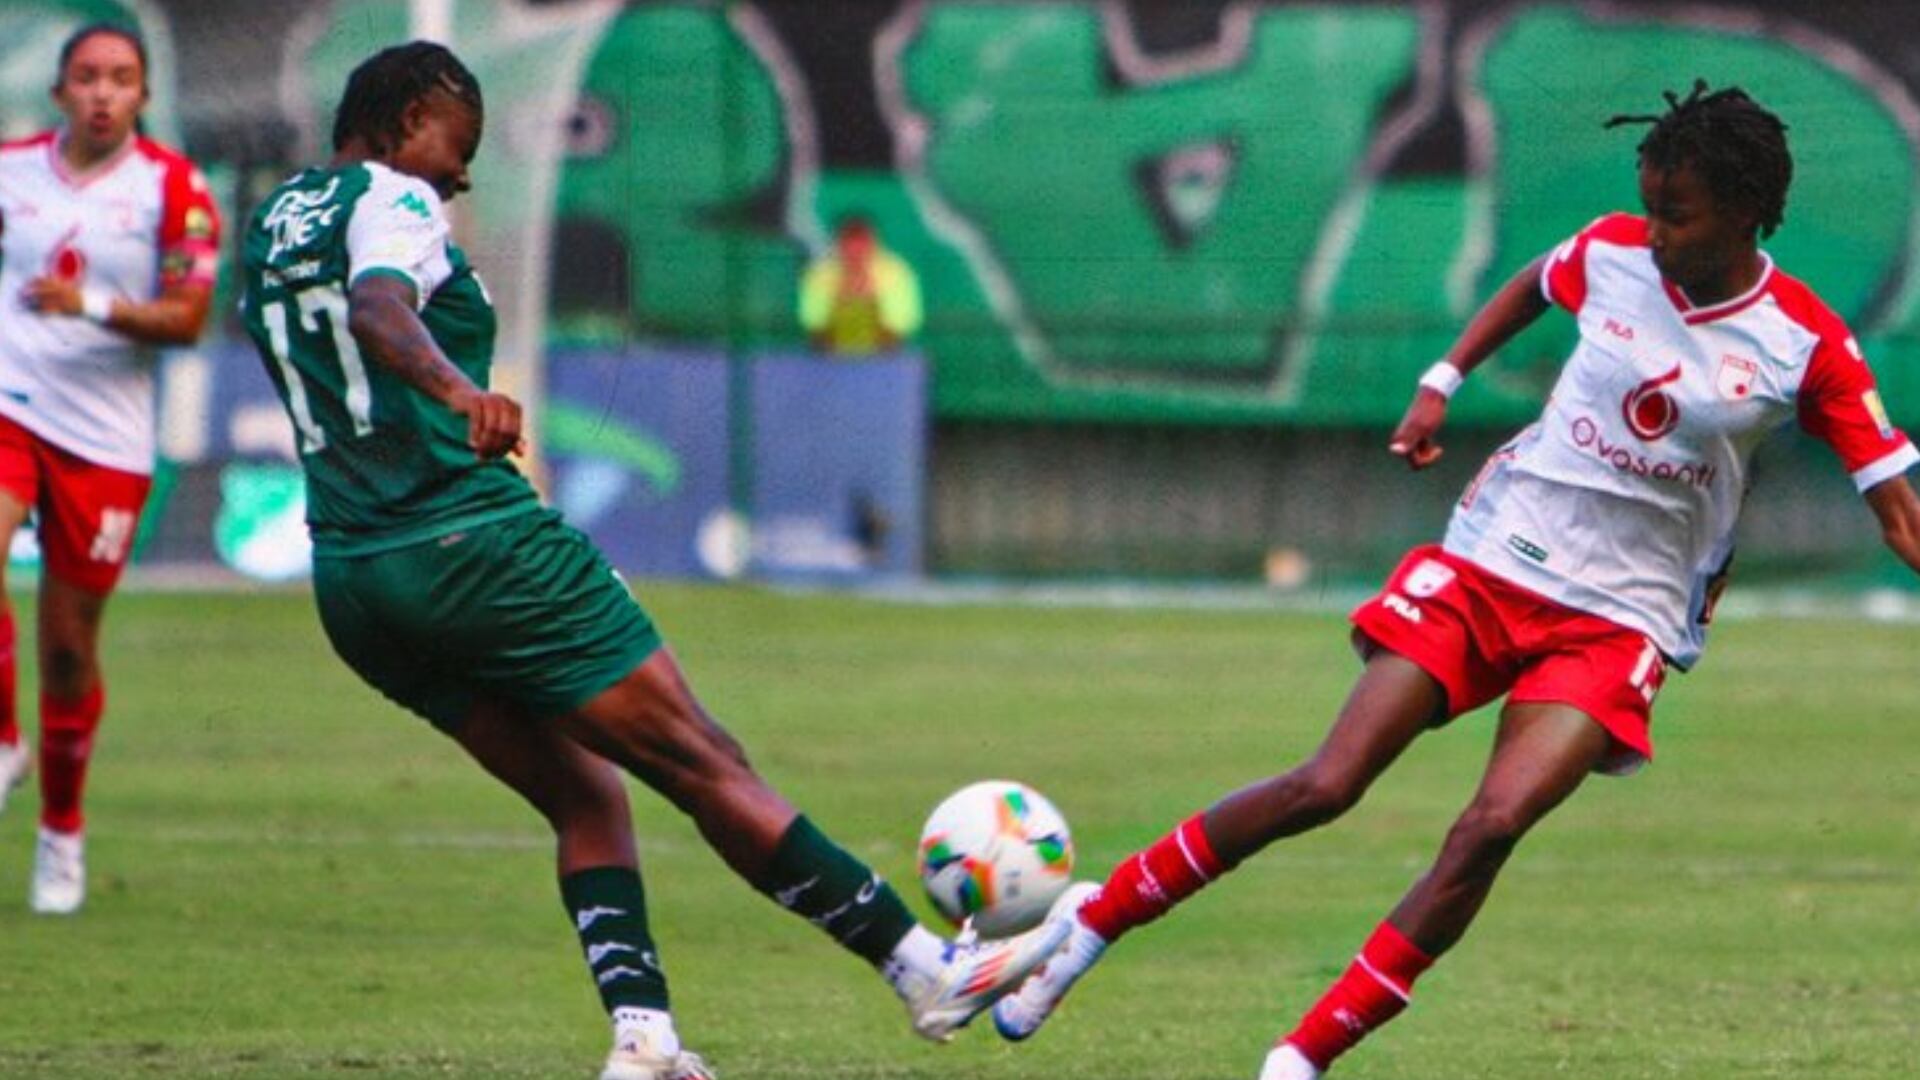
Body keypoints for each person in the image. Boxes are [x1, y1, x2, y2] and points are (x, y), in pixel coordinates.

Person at [990, 81, 1920, 1078]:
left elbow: (1900, 507)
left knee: (1488, 828)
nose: (1652, 232)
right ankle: (1094, 921)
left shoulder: (1803, 342)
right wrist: (1443, 379)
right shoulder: (1611, 252)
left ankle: (1298, 1061)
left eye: (1676, 215)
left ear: (1745, 212)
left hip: (1619, 623)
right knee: (1327, 783)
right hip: (1493, 561)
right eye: (1647, 204)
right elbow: (1534, 283)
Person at [237, 42, 1064, 1080]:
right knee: (702, 760)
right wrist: (460, 393)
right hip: (474, 544)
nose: (462, 176)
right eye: (458, 144)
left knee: (587, 795)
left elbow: (333, 334)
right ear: (404, 116)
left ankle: (645, 1039)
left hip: (356, 581)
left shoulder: (275, 220)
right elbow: (378, 310)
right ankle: (921, 969)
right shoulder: (392, 199)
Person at [0, 22, 220, 915]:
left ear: (142, 95)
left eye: (120, 79)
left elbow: (189, 318)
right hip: (10, 406)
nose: (102, 93)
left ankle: (60, 831)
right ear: (59, 93)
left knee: (66, 649)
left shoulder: (174, 186)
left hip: (107, 442)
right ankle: (3, 740)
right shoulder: (11, 170)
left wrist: (87, 302)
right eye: (86, 78)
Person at [797, 214, 923, 356]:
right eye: (848, 247)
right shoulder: (819, 274)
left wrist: (868, 297)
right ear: (838, 245)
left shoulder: (897, 272)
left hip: (886, 356)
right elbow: (812, 322)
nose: (855, 255)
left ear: (874, 244)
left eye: (861, 246)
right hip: (829, 357)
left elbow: (904, 323)